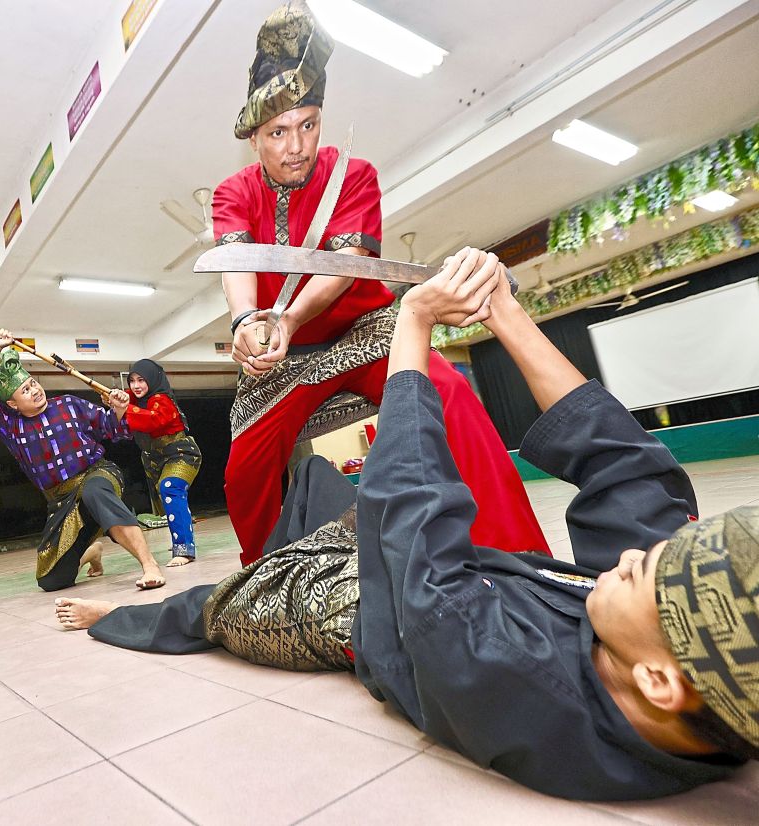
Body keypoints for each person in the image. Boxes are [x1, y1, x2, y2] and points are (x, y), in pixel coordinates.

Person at [57, 248, 759, 801]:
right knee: (313, 481)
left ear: (662, 685)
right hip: (444, 568)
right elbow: (627, 468)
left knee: (229, 600)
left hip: (371, 613)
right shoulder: (685, 652)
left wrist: (414, 321)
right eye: (664, 555)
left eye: (651, 575)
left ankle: (110, 617)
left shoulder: (513, 682)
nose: (642, 560)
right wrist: (502, 312)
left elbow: (410, 505)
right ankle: (294, 530)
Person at [213, 4, 548, 564]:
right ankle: (265, 581)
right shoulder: (233, 192)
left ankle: (518, 559)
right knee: (244, 470)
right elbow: (236, 265)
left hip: (365, 330)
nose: (296, 146)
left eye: (308, 125)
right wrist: (249, 322)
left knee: (454, 397)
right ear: (254, 139)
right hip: (283, 355)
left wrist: (290, 317)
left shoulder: (354, 175)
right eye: (277, 132)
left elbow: (345, 268)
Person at [0, 329, 165, 591]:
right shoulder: (10, 426)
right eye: (25, 390)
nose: (34, 390)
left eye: (33, 383)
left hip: (98, 473)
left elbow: (113, 429)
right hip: (62, 498)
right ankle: (92, 552)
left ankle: (149, 565)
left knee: (95, 492)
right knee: (51, 580)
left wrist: (118, 409)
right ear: (13, 404)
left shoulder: (70, 404)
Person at [125, 359, 203, 566]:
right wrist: (117, 402)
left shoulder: (163, 400)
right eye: (132, 381)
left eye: (141, 380)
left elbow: (153, 420)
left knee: (171, 488)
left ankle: (184, 549)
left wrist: (124, 407)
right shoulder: (136, 402)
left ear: (152, 379)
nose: (136, 385)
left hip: (181, 455)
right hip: (154, 460)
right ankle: (180, 537)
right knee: (164, 496)